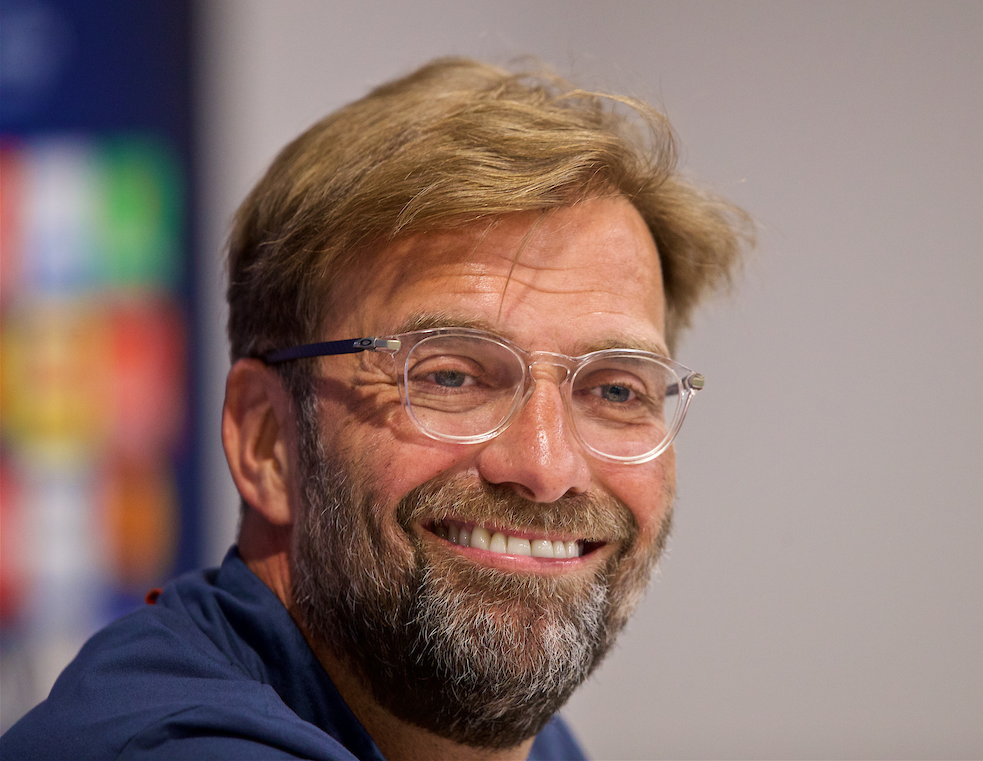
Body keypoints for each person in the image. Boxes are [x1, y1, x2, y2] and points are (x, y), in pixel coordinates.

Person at [0, 57, 749, 760]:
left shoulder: (515, 738)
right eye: (451, 376)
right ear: (267, 440)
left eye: (617, 389)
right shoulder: (178, 743)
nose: (548, 467)